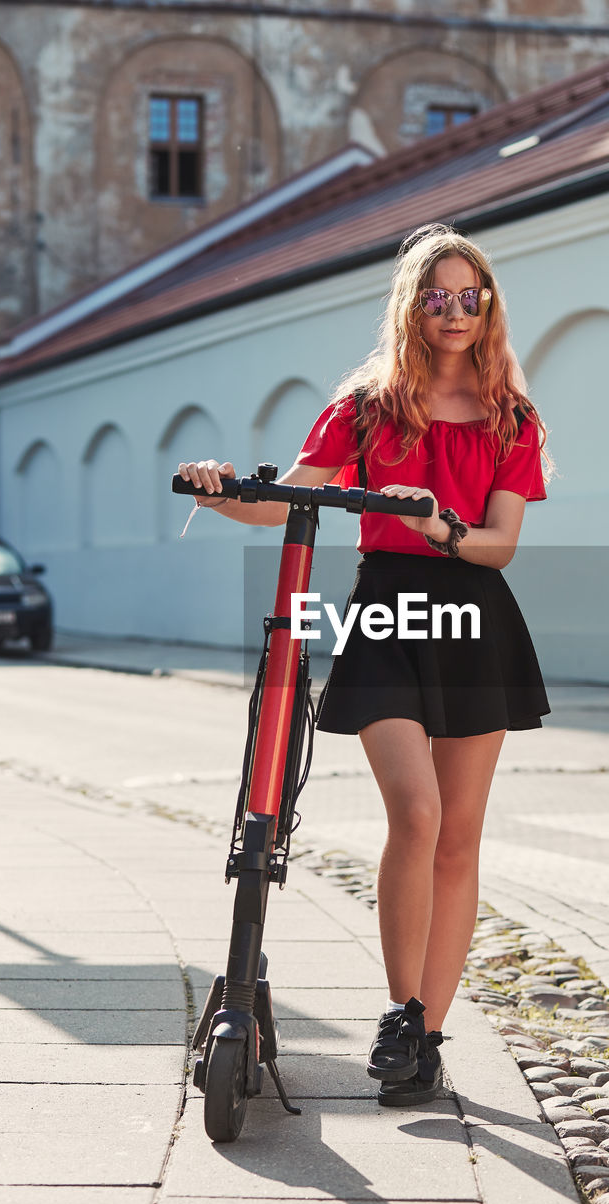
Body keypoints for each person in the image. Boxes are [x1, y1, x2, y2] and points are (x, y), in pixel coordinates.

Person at [178, 222, 552, 1108]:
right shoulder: (367, 406)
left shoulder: (511, 415)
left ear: (487, 304)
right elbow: (292, 503)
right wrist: (223, 488)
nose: (455, 311)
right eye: (437, 296)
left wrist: (438, 526)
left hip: (473, 615)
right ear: (412, 306)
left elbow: (499, 546)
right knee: (414, 815)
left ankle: (425, 1036)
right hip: (385, 612)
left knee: (458, 834)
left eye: (470, 296)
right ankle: (398, 1010)